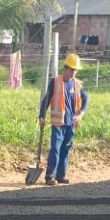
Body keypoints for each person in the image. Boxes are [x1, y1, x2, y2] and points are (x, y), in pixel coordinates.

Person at [39, 53, 89, 185]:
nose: (74, 72)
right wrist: (41, 115)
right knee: (55, 148)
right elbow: (46, 99)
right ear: (66, 68)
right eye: (72, 69)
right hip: (58, 122)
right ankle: (50, 177)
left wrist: (81, 114)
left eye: (75, 70)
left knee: (66, 148)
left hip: (71, 123)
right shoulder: (55, 81)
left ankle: (61, 175)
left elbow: (86, 99)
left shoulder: (77, 85)